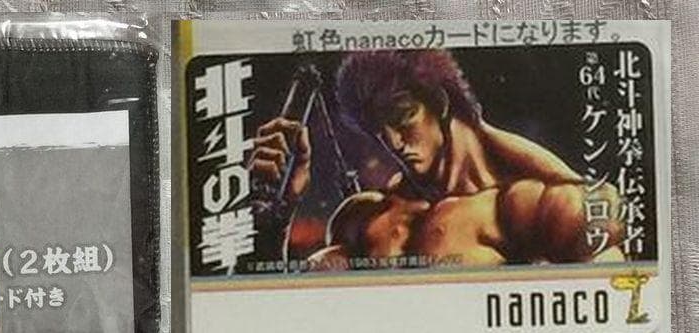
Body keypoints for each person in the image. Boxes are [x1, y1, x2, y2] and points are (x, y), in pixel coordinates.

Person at [249, 49, 624, 269]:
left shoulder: (533, 206)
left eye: (402, 117)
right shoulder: (363, 217)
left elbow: (614, 307)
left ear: (440, 104)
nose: (393, 143)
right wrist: (275, 215)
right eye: (379, 131)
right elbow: (282, 315)